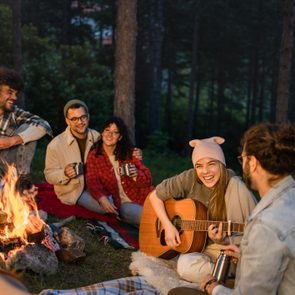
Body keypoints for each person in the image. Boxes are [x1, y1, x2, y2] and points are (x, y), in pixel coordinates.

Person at [169, 122, 295, 295]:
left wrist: (213, 288)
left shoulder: (265, 224)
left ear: (252, 163)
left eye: (241, 159)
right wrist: (245, 255)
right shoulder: (290, 196)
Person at [149, 136, 256, 284]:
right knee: (185, 266)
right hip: (200, 248)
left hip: (226, 249)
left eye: (211, 164)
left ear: (221, 164)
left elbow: (250, 236)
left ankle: (231, 274)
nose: (205, 171)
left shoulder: (235, 187)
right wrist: (167, 225)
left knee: (188, 268)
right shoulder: (190, 178)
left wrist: (222, 240)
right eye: (199, 166)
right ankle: (226, 275)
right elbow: (155, 196)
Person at [44, 100, 142, 213]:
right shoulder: (55, 145)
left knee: (121, 197)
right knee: (109, 206)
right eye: (74, 119)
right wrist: (65, 173)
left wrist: (133, 153)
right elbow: (49, 175)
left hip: (99, 185)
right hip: (75, 191)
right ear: (67, 121)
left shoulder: (97, 137)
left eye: (83, 117)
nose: (80, 122)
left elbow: (116, 147)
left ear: (88, 117)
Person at [86, 116, 154, 227]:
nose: (109, 135)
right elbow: (92, 181)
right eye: (107, 130)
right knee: (150, 217)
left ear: (120, 137)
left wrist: (136, 174)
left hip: (143, 194)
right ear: (102, 133)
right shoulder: (94, 156)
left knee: (169, 205)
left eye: (115, 132)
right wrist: (101, 197)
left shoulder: (129, 153)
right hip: (123, 204)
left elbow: (148, 180)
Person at [0, 67, 52, 177]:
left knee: (29, 130)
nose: (14, 97)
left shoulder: (15, 113)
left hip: (8, 171)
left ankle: (22, 179)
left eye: (16, 93)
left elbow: (44, 125)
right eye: (10, 92)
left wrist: (12, 140)